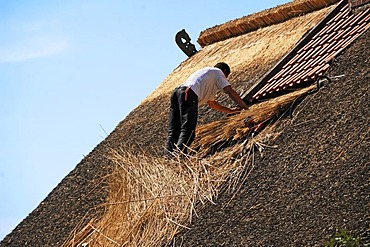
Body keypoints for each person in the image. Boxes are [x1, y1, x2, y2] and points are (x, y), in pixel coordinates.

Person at [165, 62, 249, 154]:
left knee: (174, 130)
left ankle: (168, 157)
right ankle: (178, 156)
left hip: (177, 93)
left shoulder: (207, 78)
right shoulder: (218, 72)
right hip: (188, 93)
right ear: (225, 71)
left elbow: (212, 104)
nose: (226, 79)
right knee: (188, 130)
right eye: (226, 77)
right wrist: (245, 107)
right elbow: (229, 91)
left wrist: (230, 111)